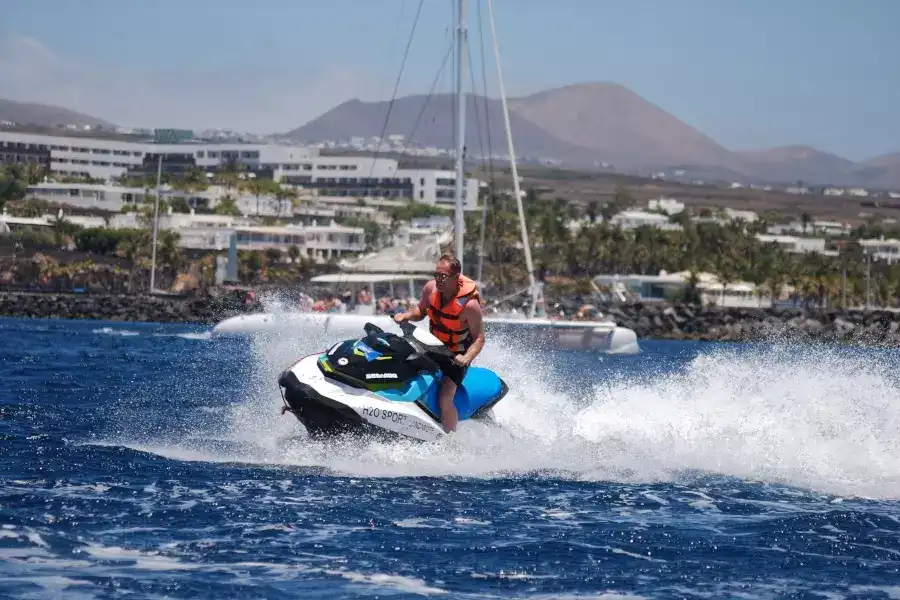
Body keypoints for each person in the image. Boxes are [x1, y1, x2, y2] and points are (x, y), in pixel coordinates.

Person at [393, 253, 485, 433]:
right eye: (436, 275)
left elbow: (480, 338)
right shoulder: (430, 289)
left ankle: (450, 438)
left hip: (456, 356)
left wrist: (466, 358)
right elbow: (420, 311)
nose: (438, 279)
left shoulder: (469, 305)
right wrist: (406, 316)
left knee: (445, 395)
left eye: (443, 276)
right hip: (432, 345)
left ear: (456, 277)